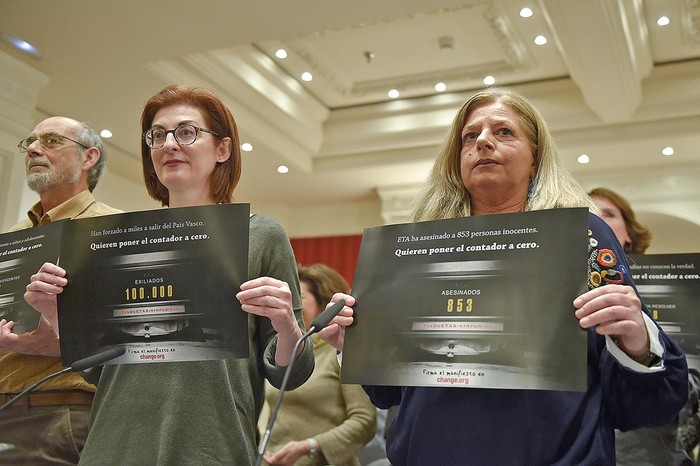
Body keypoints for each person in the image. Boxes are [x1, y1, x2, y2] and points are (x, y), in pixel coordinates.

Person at [319, 88, 689, 465]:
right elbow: (390, 392)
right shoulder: (419, 248)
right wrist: (356, 345)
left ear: (535, 160)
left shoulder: (584, 236)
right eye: (469, 136)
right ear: (457, 160)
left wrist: (637, 341)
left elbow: (642, 404)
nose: (482, 141)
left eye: (503, 132)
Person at [25, 85, 315, 465]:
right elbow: (98, 369)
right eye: (157, 135)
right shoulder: (117, 239)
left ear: (223, 149)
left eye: (187, 132)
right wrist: (55, 314)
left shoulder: (259, 234)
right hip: (114, 441)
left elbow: (291, 374)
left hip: (210, 444)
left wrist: (287, 326)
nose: (169, 144)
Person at [0, 116, 121, 465]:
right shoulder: (11, 235)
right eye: (30, 142)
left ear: (89, 157)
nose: (35, 148)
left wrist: (58, 342)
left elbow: (131, 336)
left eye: (51, 140)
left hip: (61, 412)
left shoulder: (114, 229)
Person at [589, 187, 700, 466]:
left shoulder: (672, 289)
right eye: (587, 213)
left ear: (629, 235)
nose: (595, 220)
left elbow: (689, 381)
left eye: (608, 214)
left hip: (649, 449)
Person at [262, 263, 376, 466]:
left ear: (324, 302)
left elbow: (364, 421)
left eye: (300, 298)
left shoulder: (340, 352)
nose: (292, 306)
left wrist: (309, 446)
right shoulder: (286, 353)